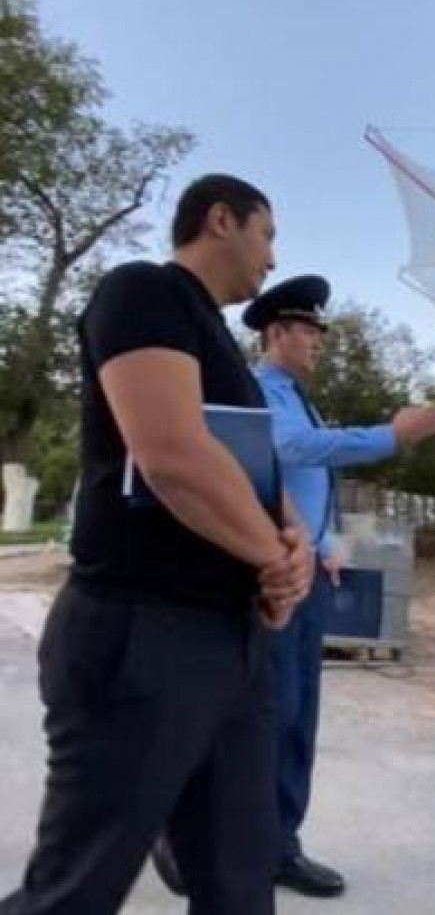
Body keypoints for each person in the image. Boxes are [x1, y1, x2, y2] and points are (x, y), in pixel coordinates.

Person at [0, 174, 314, 915]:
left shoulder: (221, 344)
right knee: (77, 889)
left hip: (233, 639)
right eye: (267, 235)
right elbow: (172, 455)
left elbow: (249, 465)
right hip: (143, 631)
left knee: (239, 882)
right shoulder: (143, 292)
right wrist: (275, 560)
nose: (273, 258)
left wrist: (294, 536)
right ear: (221, 219)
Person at [247, 275, 435, 896]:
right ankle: (240, 841)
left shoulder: (296, 395)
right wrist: (395, 434)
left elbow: (312, 484)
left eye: (320, 332)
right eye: (309, 331)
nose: (319, 342)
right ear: (277, 332)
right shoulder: (264, 390)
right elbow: (293, 449)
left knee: (298, 715)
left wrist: (328, 543)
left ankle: (277, 842)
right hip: (275, 576)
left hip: (308, 569)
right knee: (277, 713)